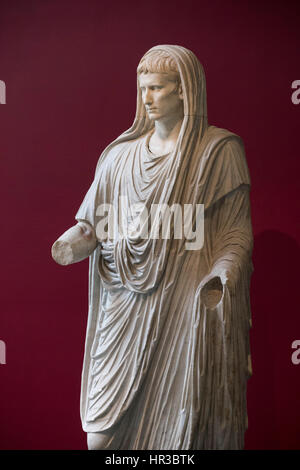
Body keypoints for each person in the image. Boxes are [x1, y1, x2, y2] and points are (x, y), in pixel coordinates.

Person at [52, 45, 253, 450]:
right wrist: (73, 242)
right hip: (124, 302)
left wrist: (223, 273)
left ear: (185, 92)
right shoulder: (119, 157)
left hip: (184, 303)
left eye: (157, 88)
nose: (147, 98)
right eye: (143, 88)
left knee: (182, 436)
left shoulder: (217, 152)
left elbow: (235, 232)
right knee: (100, 440)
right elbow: (94, 225)